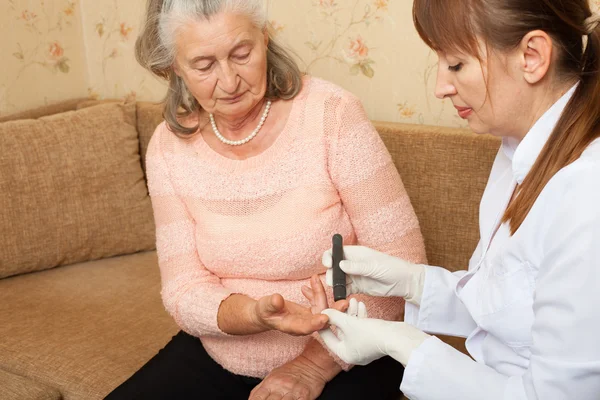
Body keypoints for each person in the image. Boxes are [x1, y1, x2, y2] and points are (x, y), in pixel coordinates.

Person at [105, 0, 427, 399]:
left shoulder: (332, 113)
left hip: (348, 349)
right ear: (174, 68)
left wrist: (309, 366)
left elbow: (404, 269)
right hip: (220, 351)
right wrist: (255, 313)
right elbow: (182, 288)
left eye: (242, 54)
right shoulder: (168, 148)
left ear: (265, 38)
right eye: (204, 66)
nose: (229, 80)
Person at [313, 0, 600, 399]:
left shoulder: (588, 193)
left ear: (532, 56)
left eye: (456, 65)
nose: (440, 87)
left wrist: (402, 345)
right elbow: (506, 306)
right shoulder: (518, 149)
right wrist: (411, 283)